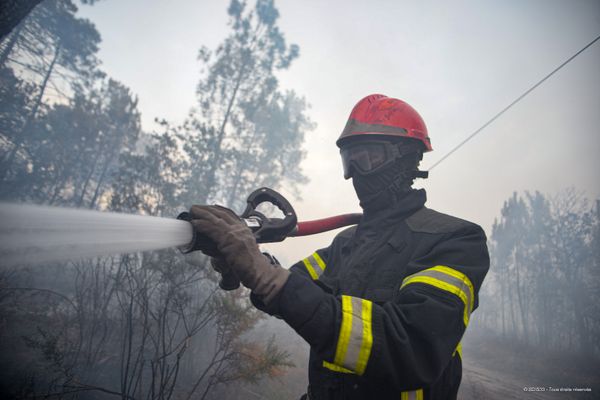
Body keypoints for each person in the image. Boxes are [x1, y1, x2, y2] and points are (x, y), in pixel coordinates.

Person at [188, 94, 490, 400]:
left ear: (406, 159)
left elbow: (409, 348)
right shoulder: (347, 242)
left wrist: (264, 274)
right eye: (350, 159)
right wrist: (246, 261)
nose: (357, 172)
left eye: (370, 157)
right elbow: (288, 288)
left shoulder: (454, 240)